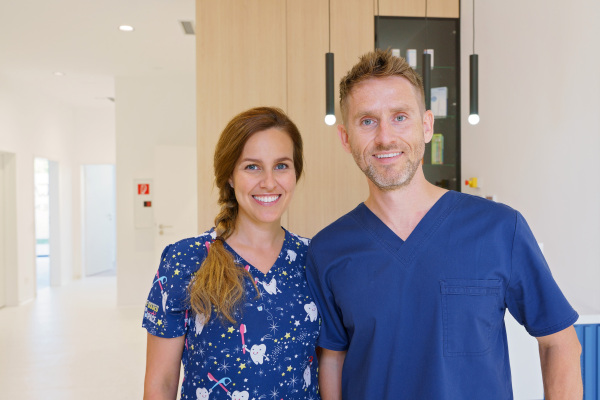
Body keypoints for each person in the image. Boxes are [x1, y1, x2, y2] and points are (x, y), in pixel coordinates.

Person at [306, 49, 583, 400]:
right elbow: (332, 359)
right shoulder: (328, 249)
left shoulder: (499, 229)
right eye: (367, 121)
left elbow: (559, 342)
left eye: (400, 117)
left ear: (426, 126)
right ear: (346, 139)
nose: (385, 137)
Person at [142, 107, 321, 400]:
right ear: (229, 175)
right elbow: (160, 383)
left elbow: (330, 365)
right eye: (252, 166)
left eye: (281, 165)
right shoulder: (186, 259)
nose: (269, 182)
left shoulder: (315, 259)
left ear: (295, 173)